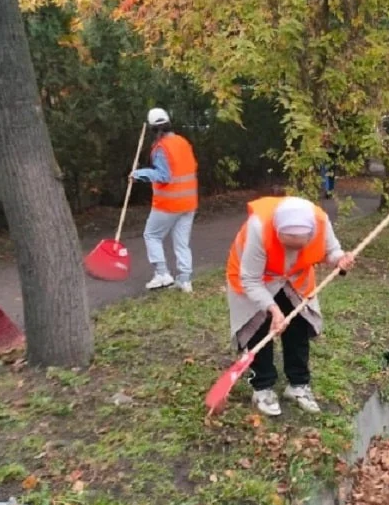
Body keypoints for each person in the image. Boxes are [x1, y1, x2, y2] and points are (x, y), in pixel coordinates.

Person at [225, 196, 355, 416]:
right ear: (277, 232)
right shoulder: (259, 227)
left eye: (300, 246)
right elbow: (251, 280)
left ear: (311, 233)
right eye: (288, 245)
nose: (293, 251)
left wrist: (340, 259)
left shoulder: (320, 221)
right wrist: (273, 309)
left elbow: (331, 251)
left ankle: (298, 385)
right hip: (255, 280)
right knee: (259, 330)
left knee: (298, 327)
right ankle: (262, 387)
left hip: (295, 279)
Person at [131, 108, 198, 292]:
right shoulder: (182, 142)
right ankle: (185, 280)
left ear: (153, 129)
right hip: (189, 202)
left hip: (169, 203)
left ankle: (162, 274)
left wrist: (139, 174)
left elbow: (164, 175)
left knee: (152, 235)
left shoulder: (162, 148)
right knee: (181, 242)